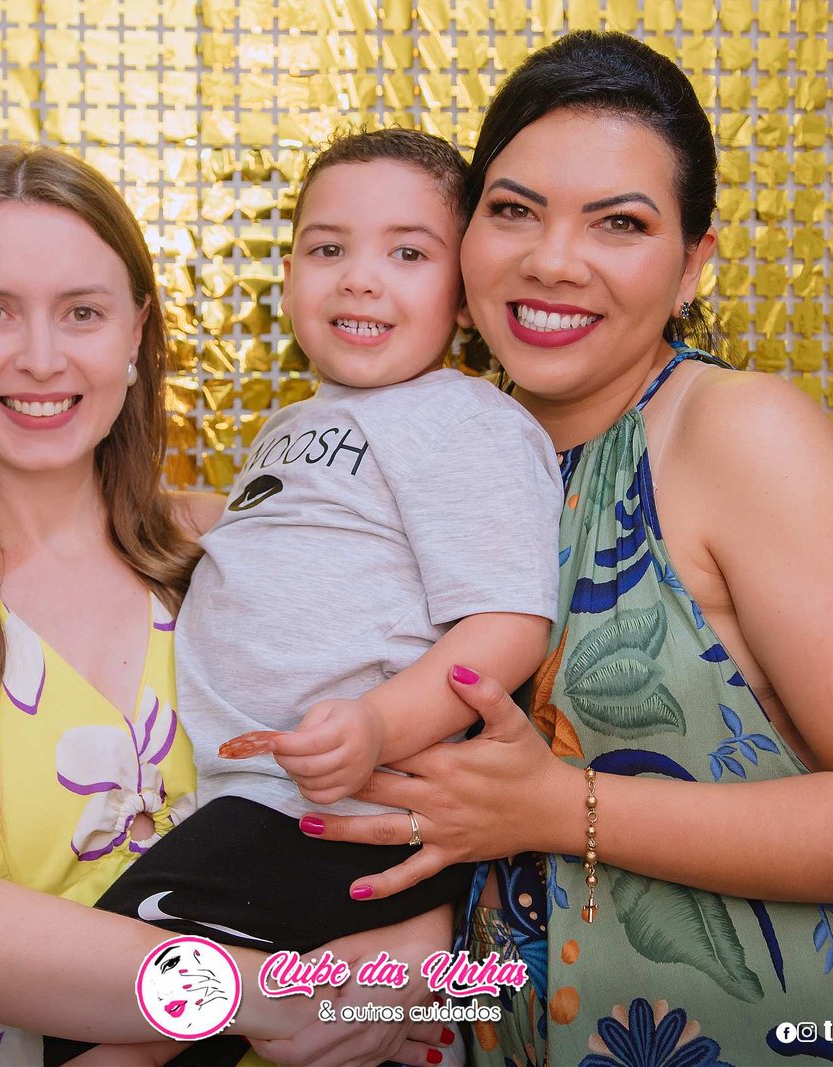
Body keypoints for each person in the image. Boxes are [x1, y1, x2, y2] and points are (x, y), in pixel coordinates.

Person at [299, 32, 833, 1067]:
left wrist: (556, 808)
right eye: (513, 210)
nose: (552, 259)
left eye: (619, 223)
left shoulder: (738, 433)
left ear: (694, 262)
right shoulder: (452, 453)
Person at [0, 143, 455, 1067]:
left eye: (83, 312)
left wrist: (412, 946)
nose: (41, 357)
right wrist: (261, 995)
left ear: (136, 331)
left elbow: (425, 778)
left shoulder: (237, 545)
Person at [46, 128, 563, 1066]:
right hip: (251, 800)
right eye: (329, 248)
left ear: (465, 291)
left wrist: (378, 724)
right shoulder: (294, 424)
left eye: (408, 254)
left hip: (326, 810)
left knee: (104, 1005)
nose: (360, 279)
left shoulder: (465, 420)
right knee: (150, 1017)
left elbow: (508, 621)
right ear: (288, 276)